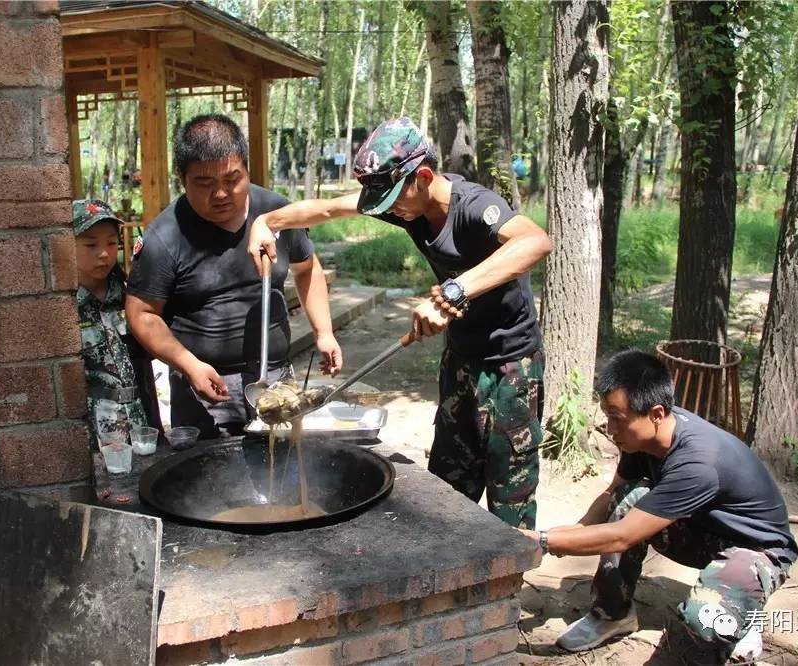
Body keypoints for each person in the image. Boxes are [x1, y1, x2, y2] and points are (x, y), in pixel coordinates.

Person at [247, 118, 552, 529]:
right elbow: (325, 208)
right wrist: (266, 223)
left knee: (509, 499)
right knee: (445, 494)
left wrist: (455, 291)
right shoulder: (407, 206)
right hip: (460, 360)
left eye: (393, 199)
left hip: (511, 368)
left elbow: (535, 241)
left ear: (423, 177)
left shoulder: (475, 206)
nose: (389, 210)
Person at [523, 350, 798, 664]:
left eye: (617, 418)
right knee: (627, 497)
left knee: (704, 621)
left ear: (655, 413)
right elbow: (612, 495)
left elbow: (621, 537)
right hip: (701, 528)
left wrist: (545, 542)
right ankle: (612, 613)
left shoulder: (697, 462)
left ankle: (741, 612)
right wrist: (559, 535)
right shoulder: (641, 436)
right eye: (607, 414)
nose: (609, 428)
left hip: (756, 551)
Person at [125, 114, 342, 439]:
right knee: (209, 481)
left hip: (276, 377)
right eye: (205, 183)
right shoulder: (165, 236)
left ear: (246, 169)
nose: (221, 193)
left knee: (283, 471)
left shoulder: (276, 213)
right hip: (204, 388)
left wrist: (323, 332)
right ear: (182, 179)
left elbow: (307, 268)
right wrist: (188, 364)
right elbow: (141, 314)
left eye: (232, 179)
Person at [73, 199, 159, 450]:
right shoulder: (63, 308)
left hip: (143, 421)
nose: (104, 253)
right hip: (95, 435)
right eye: (90, 244)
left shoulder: (131, 297)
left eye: (112, 243)